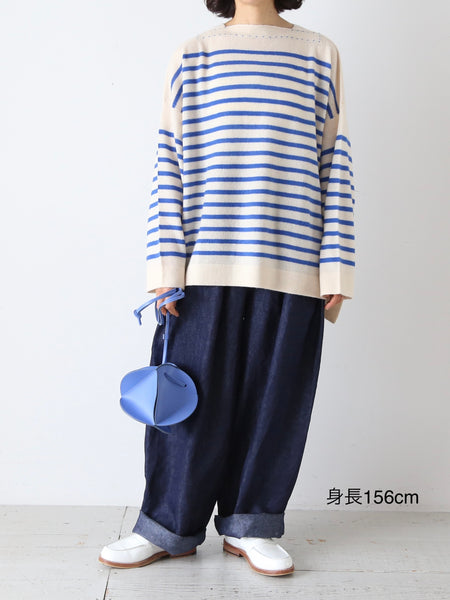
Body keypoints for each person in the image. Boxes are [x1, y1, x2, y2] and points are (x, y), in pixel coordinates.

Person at [99, 0, 355, 577]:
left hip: (294, 264)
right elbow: (169, 162)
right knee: (187, 406)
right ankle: (167, 525)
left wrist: (336, 266)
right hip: (201, 271)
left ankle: (252, 524)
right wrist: (165, 268)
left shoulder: (319, 53)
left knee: (276, 403)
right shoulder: (195, 54)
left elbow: (334, 161)